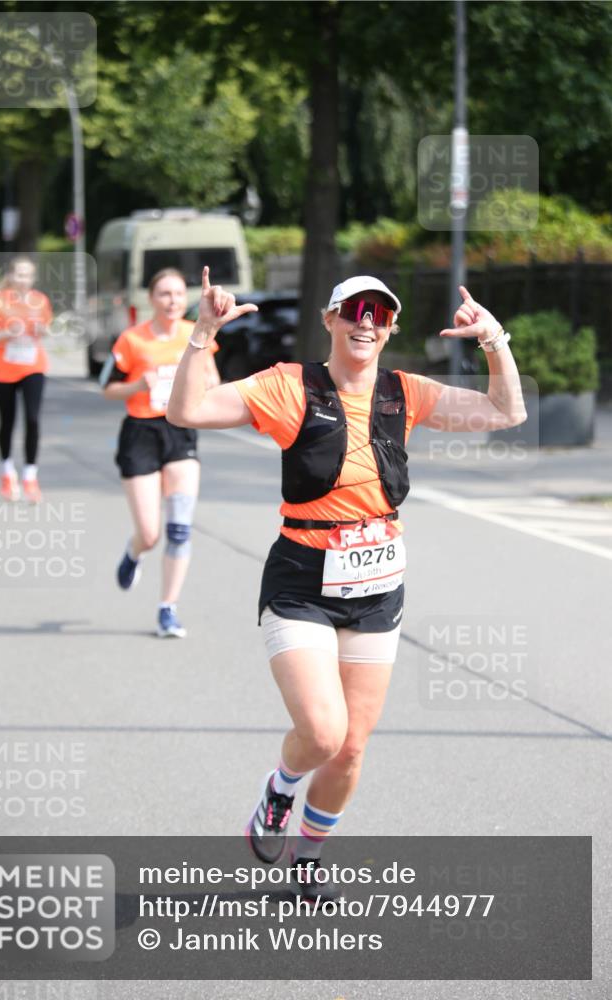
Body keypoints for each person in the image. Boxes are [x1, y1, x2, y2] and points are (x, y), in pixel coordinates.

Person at [168, 266, 527, 902]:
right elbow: (187, 409)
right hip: (303, 579)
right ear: (330, 320)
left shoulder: (404, 392)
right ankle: (279, 789)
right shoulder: (290, 387)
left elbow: (507, 410)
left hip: (377, 585)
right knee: (324, 733)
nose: (367, 322)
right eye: (354, 310)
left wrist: (493, 340)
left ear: (389, 330)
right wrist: (202, 334)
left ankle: (308, 857)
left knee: (351, 749)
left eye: (380, 314)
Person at [100, 268, 221, 638]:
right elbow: (107, 387)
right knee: (151, 533)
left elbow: (214, 378)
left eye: (178, 294)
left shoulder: (196, 333)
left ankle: (168, 608)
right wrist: (138, 384)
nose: (172, 301)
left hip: (180, 432)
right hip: (140, 433)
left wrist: (200, 383)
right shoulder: (131, 340)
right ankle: (135, 551)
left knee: (180, 529)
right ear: (151, 299)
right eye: (165, 294)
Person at [0, 257, 52, 502]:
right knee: (7, 421)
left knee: (32, 418)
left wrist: (42, 330)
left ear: (33, 278)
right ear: (10, 276)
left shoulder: (40, 300)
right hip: (3, 368)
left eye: (27, 275)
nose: (23, 279)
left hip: (33, 365)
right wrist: (5, 334)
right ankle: (7, 472)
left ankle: (30, 475)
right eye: (18, 275)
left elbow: (46, 328)